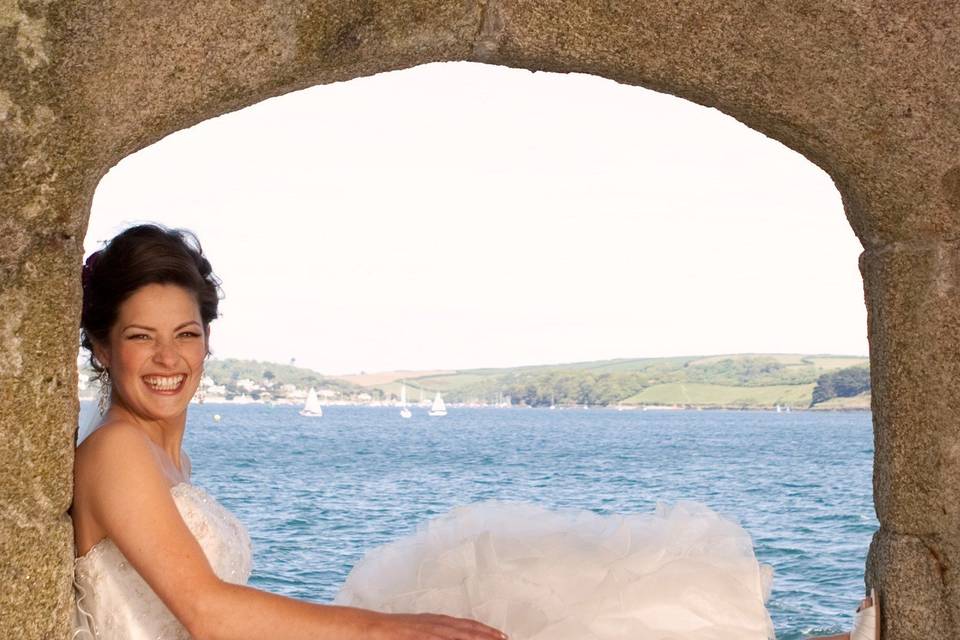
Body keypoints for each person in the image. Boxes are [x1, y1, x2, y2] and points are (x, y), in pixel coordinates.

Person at [71, 223, 879, 640]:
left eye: (186, 332)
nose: (169, 358)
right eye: (142, 335)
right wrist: (392, 631)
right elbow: (208, 613)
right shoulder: (114, 453)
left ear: (208, 338)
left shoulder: (159, 455)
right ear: (104, 345)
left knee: (520, 598)